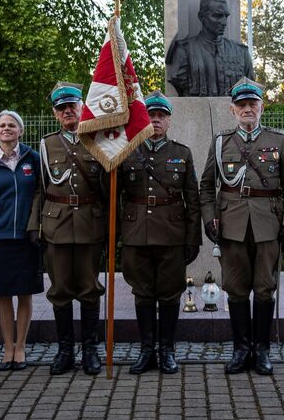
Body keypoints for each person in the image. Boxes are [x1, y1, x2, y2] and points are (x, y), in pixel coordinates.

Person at [199, 77, 284, 375]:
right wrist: (209, 218)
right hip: (231, 225)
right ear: (232, 109)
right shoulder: (221, 141)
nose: (247, 109)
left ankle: (262, 351)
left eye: (252, 104)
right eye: (241, 104)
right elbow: (206, 186)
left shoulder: (278, 139)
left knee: (265, 288)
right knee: (235, 288)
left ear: (261, 107)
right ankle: (241, 350)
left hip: (268, 224)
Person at [118, 91, 202, 374]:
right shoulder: (127, 151)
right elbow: (114, 195)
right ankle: (146, 351)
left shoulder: (182, 153)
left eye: (161, 116)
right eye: (151, 115)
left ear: (169, 121)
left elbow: (193, 199)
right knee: (142, 293)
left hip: (171, 233)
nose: (155, 120)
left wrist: (193, 239)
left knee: (169, 294)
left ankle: (167, 350)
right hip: (136, 233)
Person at [27, 82, 108, 376]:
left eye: (72, 106)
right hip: (56, 225)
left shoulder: (98, 141)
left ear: (82, 107)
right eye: (62, 109)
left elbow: (109, 189)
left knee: (89, 289)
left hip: (90, 224)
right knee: (60, 290)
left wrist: (113, 226)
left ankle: (90, 350)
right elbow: (40, 188)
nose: (67, 112)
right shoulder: (47, 145)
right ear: (55, 114)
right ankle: (64, 351)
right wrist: (34, 225)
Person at [0, 111, 43, 372]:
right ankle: (8, 348)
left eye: (12, 125)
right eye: (2, 125)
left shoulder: (33, 159)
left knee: (25, 293)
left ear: (21, 131)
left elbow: (41, 193)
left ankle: (21, 347)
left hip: (27, 237)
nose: (6, 128)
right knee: (4, 294)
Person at [165, 0, 255, 97]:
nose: (224, 22)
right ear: (201, 17)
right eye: (217, 16)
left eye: (226, 16)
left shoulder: (241, 53)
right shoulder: (184, 50)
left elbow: (250, 90)